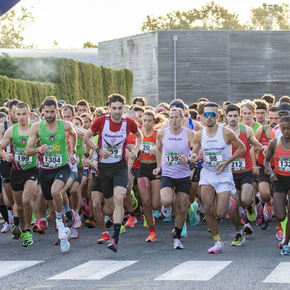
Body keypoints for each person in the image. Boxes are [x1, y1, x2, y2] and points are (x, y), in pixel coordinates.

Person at [83, 93, 142, 253]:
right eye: (114, 108)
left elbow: (139, 135)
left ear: (124, 108)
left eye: (120, 108)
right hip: (103, 169)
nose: (117, 111)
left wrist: (136, 149)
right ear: (109, 108)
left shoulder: (129, 123)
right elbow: (86, 138)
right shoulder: (101, 121)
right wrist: (99, 150)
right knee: (108, 209)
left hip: (120, 167)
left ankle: (115, 238)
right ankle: (114, 222)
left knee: (118, 198)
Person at [191, 102, 246, 253]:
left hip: (224, 174)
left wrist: (226, 162)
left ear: (218, 116)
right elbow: (194, 153)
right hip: (207, 174)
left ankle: (230, 202)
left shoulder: (226, 133)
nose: (208, 118)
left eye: (212, 115)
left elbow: (242, 148)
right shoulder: (199, 134)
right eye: (206, 115)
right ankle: (218, 241)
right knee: (208, 209)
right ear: (202, 116)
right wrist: (193, 157)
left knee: (220, 213)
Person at [26, 98, 77, 253]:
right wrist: (38, 150)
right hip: (45, 170)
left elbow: (74, 135)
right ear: (42, 112)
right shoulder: (36, 127)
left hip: (62, 167)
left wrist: (72, 152)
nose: (49, 114)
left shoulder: (66, 125)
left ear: (57, 111)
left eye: (52, 111)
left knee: (56, 192)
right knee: (52, 201)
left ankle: (61, 225)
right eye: (46, 112)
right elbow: (28, 150)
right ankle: (66, 214)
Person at [154, 107, 196, 249]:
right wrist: (159, 166)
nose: (173, 120)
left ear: (182, 119)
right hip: (167, 173)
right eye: (171, 118)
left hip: (183, 175)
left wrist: (189, 159)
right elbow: (158, 149)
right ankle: (167, 208)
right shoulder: (162, 133)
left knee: (182, 208)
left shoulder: (189, 134)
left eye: (176, 117)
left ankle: (177, 237)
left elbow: (196, 152)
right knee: (166, 201)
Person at [0, 102, 39, 247]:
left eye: (24, 114)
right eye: (19, 114)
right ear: (15, 115)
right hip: (16, 171)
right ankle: (23, 228)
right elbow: (1, 147)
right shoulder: (11, 131)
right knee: (20, 205)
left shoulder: (35, 129)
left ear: (29, 114)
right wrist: (4, 155)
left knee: (27, 200)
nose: (21, 117)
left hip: (32, 170)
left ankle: (27, 230)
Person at [225, 104, 264, 243]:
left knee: (247, 199)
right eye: (230, 116)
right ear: (226, 116)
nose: (233, 118)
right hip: (229, 173)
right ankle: (239, 232)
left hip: (246, 170)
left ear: (239, 116)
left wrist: (263, 147)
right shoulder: (223, 131)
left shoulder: (246, 130)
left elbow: (255, 144)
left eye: (235, 115)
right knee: (234, 205)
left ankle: (251, 208)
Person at [264, 116, 290, 255]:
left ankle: (286, 242)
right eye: (283, 128)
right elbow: (266, 162)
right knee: (280, 216)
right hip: (279, 180)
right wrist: (271, 172)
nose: (286, 131)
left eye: (289, 128)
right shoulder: (274, 143)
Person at [137, 110, 161, 242]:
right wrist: (133, 150)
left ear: (154, 122)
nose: (146, 123)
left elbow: (163, 152)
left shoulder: (158, 135)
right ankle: (152, 231)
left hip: (155, 169)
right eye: (144, 120)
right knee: (146, 202)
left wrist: (156, 152)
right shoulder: (139, 134)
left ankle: (164, 206)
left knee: (156, 204)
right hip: (143, 169)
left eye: (149, 121)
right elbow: (134, 151)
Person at [0, 99, 20, 239]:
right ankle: (12, 214)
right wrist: (4, 154)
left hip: (22, 162)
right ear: (10, 113)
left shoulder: (25, 126)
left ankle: (19, 224)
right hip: (7, 163)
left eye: (18, 112)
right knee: (8, 200)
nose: (17, 115)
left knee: (22, 196)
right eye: (14, 112)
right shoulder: (3, 126)